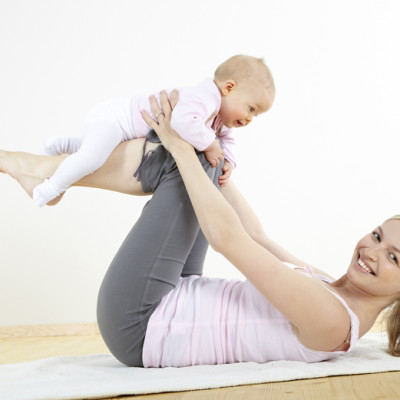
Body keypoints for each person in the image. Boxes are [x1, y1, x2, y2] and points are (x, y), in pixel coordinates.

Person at [1, 92, 399, 367]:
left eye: (394, 258)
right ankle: (47, 174)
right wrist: (219, 161)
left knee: (184, 156)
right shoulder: (332, 288)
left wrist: (180, 146)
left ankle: (43, 172)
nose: (372, 251)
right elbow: (257, 237)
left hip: (141, 323)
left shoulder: (332, 319)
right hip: (175, 295)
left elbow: (229, 239)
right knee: (202, 156)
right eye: (378, 236)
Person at [32, 54, 275, 207]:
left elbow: (226, 140)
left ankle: (61, 144)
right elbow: (183, 122)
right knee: (93, 159)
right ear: (229, 88)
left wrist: (229, 161)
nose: (250, 118)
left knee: (100, 150)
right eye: (251, 108)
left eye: (256, 115)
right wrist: (210, 145)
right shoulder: (204, 98)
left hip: (120, 129)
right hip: (117, 118)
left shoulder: (219, 118)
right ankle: (52, 187)